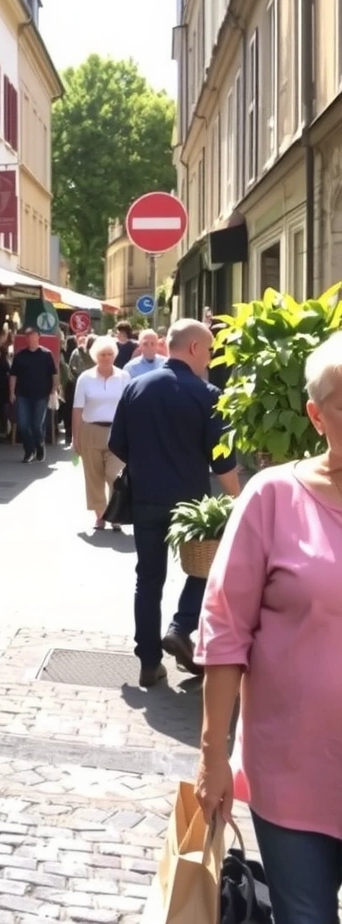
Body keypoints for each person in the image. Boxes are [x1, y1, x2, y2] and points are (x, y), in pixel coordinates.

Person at [195, 331, 342, 923]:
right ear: (316, 414)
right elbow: (225, 629)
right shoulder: (274, 496)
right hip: (292, 774)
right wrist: (212, 757)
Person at [108, 318, 241, 688]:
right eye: (210, 350)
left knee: (148, 578)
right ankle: (182, 627)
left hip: (146, 497)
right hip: (193, 507)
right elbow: (223, 461)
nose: (211, 359)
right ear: (195, 348)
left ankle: (149, 662)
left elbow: (117, 446)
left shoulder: (136, 387)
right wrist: (238, 499)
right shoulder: (207, 394)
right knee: (206, 570)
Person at [72, 337, 130, 531]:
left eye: (110, 354)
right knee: (94, 477)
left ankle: (116, 514)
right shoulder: (85, 378)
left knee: (114, 474)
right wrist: (76, 437)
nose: (106, 358)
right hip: (91, 431)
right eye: (102, 355)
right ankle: (100, 515)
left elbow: (130, 406)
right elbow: (77, 409)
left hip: (117, 431)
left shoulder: (124, 377)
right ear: (95, 356)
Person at [9, 326, 58, 464]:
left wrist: (53, 390)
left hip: (41, 395)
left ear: (38, 337)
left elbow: (54, 374)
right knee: (23, 424)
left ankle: (40, 444)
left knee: (37, 424)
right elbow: (13, 375)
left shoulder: (46, 354)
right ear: (26, 338)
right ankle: (29, 450)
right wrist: (12, 392)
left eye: (33, 335)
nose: (30, 338)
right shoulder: (20, 355)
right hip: (22, 394)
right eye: (28, 336)